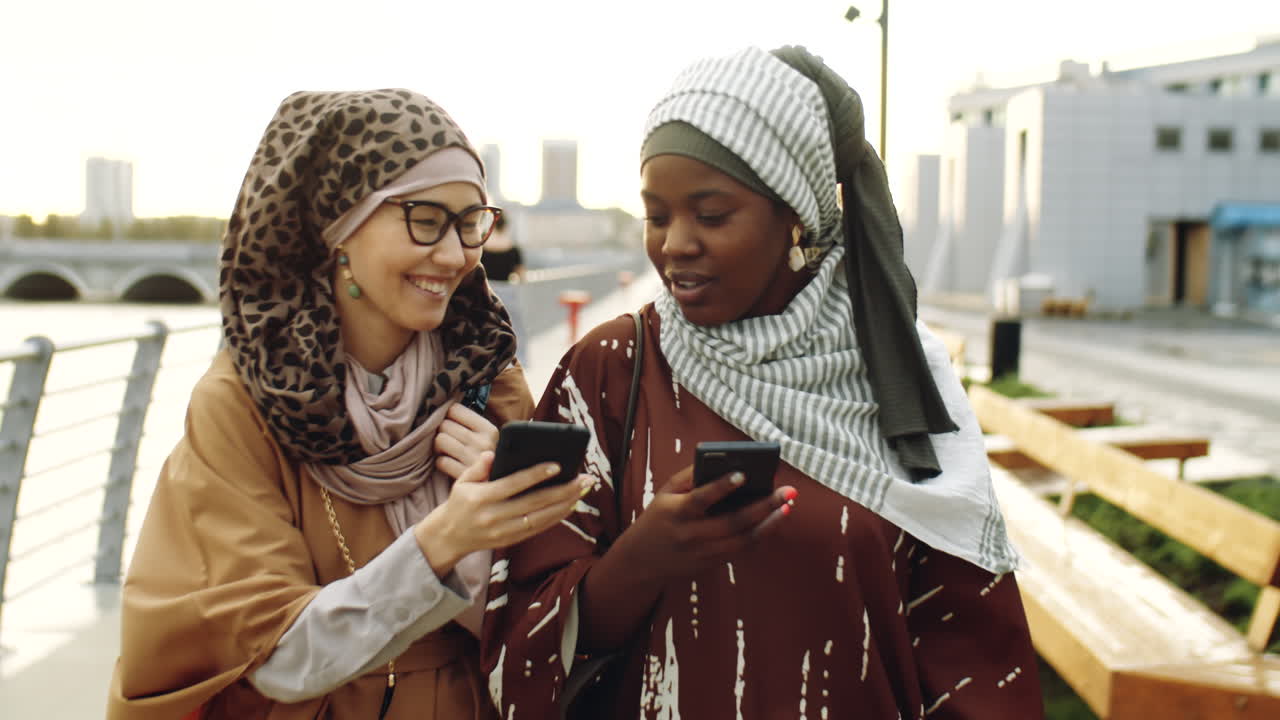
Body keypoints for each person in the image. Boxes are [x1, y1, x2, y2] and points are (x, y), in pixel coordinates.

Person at [482, 47, 1044, 719]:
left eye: (711, 215)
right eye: (657, 216)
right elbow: (513, 640)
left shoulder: (897, 378)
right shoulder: (611, 369)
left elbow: (967, 645)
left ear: (795, 218)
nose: (675, 244)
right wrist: (639, 562)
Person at [106, 89, 592, 720]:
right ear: (339, 228)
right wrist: (448, 537)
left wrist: (511, 526)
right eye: (424, 219)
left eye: (472, 221)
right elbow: (279, 660)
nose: (454, 255)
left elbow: (550, 627)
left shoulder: (485, 376)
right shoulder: (245, 402)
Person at [479, 214, 530, 366]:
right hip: (508, 292)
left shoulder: (483, 245)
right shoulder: (513, 248)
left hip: (486, 291)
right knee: (514, 328)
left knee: (486, 328)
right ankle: (516, 362)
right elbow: (521, 276)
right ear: (506, 226)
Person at [479, 214, 526, 284]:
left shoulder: (481, 247)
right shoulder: (514, 249)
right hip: (505, 289)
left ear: (492, 225)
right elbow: (521, 275)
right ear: (505, 225)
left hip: (485, 288)